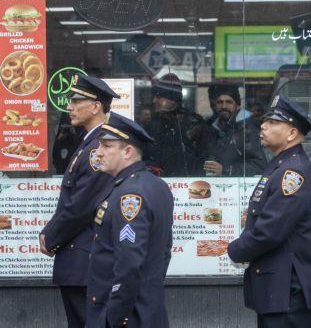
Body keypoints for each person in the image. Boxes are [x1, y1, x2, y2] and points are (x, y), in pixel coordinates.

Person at [227, 95, 311, 328]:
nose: (263, 126)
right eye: (265, 121)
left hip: (288, 288)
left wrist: (235, 250)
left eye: (272, 122)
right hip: (277, 287)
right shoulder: (281, 164)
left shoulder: (293, 172)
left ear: (291, 133)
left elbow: (270, 231)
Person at [40, 74, 118, 328]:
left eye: (76, 101)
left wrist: (50, 237)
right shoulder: (88, 142)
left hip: (84, 259)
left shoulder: (98, 148)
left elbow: (81, 205)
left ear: (96, 106)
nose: (69, 107)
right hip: (79, 259)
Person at [86, 113, 174, 327]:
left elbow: (129, 262)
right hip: (146, 307)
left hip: (129, 314)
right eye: (99, 146)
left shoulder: (130, 194)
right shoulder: (154, 185)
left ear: (127, 151)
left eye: (107, 146)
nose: (98, 153)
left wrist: (115, 315)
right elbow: (164, 252)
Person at [144, 73, 208, 176]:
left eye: (159, 97)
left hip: (190, 185)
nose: (154, 100)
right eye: (154, 96)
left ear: (173, 100)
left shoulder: (194, 125)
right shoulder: (151, 125)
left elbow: (205, 158)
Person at [203, 86, 267, 176]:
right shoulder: (213, 128)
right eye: (220, 102)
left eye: (229, 102)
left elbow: (259, 166)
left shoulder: (248, 128)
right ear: (215, 105)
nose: (224, 106)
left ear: (237, 105)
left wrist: (226, 170)